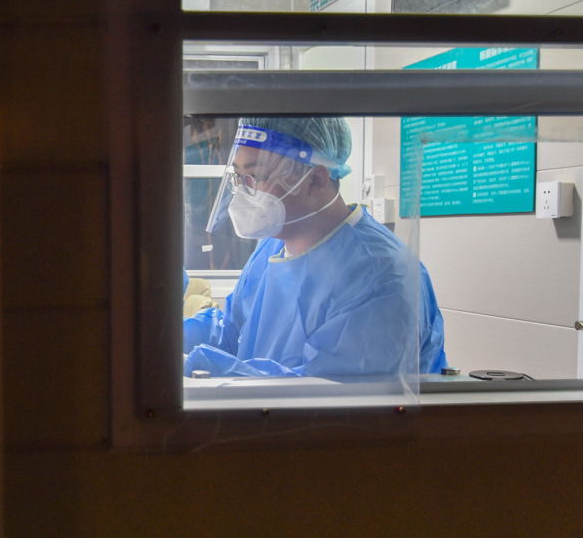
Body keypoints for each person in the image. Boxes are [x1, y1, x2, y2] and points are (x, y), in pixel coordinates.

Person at [185, 116, 447, 379]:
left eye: (255, 176)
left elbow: (329, 395)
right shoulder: (271, 247)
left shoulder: (381, 275)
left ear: (316, 179)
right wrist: (162, 340)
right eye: (238, 177)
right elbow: (232, 329)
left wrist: (208, 368)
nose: (243, 191)